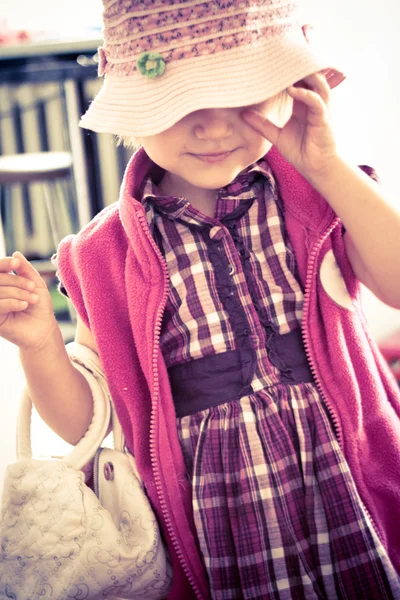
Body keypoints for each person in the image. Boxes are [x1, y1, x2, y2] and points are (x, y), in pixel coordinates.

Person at [1, 0, 400, 598]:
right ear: (132, 109)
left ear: (287, 88)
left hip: (347, 477)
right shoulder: (104, 255)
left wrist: (328, 166)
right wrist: (40, 345)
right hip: (219, 517)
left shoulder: (320, 196)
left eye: (241, 96)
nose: (214, 127)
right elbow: (87, 419)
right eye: (181, 101)